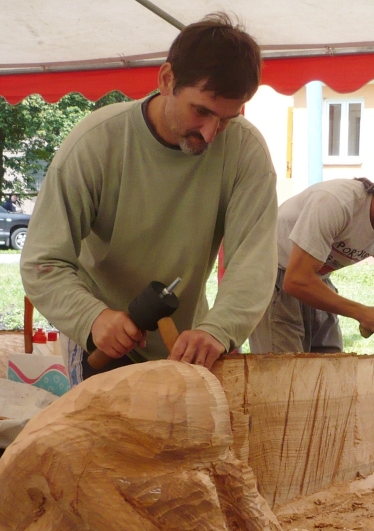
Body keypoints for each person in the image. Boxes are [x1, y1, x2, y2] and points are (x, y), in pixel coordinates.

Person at [21, 13, 277, 379]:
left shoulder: (245, 152)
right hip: (101, 342)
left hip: (192, 347)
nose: (210, 134)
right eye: (201, 111)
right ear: (167, 79)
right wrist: (92, 318)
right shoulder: (95, 144)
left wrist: (218, 330)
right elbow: (42, 262)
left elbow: (253, 263)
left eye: (226, 119)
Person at [249, 153, 374, 355]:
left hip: (315, 279)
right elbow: (296, 280)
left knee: (331, 369)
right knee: (284, 374)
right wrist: (361, 312)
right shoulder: (336, 203)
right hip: (272, 274)